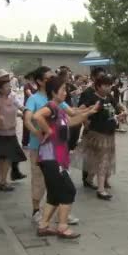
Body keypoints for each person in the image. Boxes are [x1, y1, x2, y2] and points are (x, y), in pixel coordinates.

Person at [33, 76, 99, 239]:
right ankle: (63, 227)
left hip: (55, 158)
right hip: (51, 158)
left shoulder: (59, 109)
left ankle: (44, 225)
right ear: (54, 92)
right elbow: (37, 116)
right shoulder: (51, 107)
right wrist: (47, 131)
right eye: (63, 89)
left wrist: (89, 112)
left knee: (55, 194)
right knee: (68, 190)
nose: (65, 92)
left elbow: (71, 121)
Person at [24, 66, 80, 224]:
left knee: (60, 180)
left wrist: (87, 110)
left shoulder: (56, 99)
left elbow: (71, 113)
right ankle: (36, 210)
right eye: (48, 78)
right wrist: (39, 133)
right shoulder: (34, 99)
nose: (52, 79)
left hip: (59, 149)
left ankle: (62, 211)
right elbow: (28, 120)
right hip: (40, 148)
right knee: (39, 180)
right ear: (39, 81)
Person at [79, 74, 127, 200]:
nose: (108, 88)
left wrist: (122, 112)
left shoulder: (109, 97)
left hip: (109, 133)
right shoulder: (93, 98)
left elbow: (118, 107)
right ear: (98, 86)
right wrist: (86, 121)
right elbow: (80, 110)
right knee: (102, 161)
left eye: (109, 85)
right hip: (97, 134)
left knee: (100, 160)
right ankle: (101, 189)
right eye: (105, 85)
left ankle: (90, 179)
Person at [0, 78, 28, 191]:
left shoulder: (12, 99)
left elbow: (18, 109)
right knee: (7, 157)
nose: (9, 88)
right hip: (2, 133)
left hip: (10, 132)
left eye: (9, 86)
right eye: (6, 86)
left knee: (3, 158)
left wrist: (24, 113)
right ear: (0, 89)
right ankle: (3, 182)